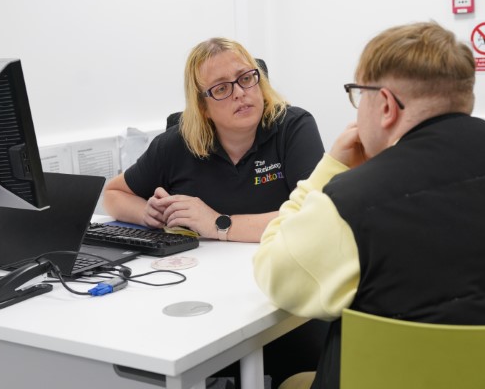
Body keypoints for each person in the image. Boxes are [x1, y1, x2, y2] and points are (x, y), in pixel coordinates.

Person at [253, 21, 485, 389]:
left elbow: (275, 274)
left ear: (386, 106)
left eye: (358, 94)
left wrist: (328, 170)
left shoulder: (352, 200)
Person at [103, 37, 328, 386]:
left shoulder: (291, 127)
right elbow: (114, 193)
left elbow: (311, 219)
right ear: (203, 105)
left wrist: (218, 224)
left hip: (284, 303)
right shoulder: (177, 144)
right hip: (204, 302)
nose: (240, 93)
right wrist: (147, 212)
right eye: (221, 88)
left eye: (246, 78)